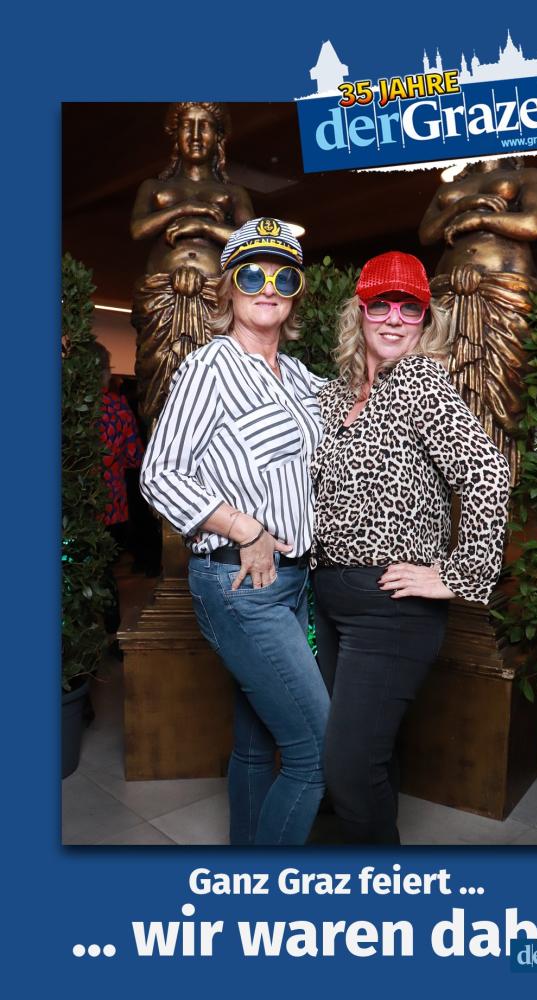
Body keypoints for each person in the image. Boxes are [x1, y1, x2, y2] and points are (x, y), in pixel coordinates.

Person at [310, 251, 511, 844]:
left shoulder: (420, 382)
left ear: (426, 318)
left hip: (390, 612)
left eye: (410, 307)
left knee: (349, 769)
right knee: (366, 755)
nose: (394, 319)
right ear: (359, 312)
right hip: (332, 601)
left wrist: (457, 574)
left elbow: (488, 472)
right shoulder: (337, 394)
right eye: (381, 304)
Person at [140, 218, 329, 846]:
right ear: (228, 288)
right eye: (252, 275)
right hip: (239, 583)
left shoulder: (300, 379)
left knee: (256, 743)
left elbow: (357, 414)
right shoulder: (209, 366)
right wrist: (244, 526)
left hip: (294, 583)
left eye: (284, 277)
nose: (268, 288)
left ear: (296, 292)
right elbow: (160, 474)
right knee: (316, 751)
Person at [418, 158, 537, 483]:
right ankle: (449, 488)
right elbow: (427, 234)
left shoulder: (527, 174)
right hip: (448, 293)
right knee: (447, 391)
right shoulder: (450, 186)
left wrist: (477, 219)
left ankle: (504, 486)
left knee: (507, 392)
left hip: (504, 291)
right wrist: (466, 205)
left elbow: (533, 224)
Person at [131, 102, 254, 425]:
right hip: (163, 299)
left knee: (219, 384)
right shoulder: (153, 188)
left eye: (205, 125)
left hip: (216, 298)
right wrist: (185, 209)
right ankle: (159, 450)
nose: (196, 135)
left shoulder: (233, 192)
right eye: (188, 125)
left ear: (218, 137)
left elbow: (251, 240)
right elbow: (138, 229)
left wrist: (204, 227)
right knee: (159, 383)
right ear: (176, 135)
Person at [93, 342, 145, 634]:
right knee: (105, 573)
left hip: (73, 507)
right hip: (111, 505)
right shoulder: (117, 407)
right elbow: (134, 457)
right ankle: (111, 636)